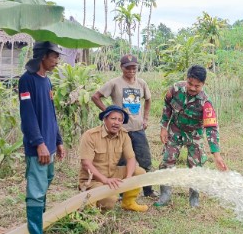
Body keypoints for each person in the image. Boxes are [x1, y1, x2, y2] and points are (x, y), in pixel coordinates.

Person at [155, 65, 228, 208]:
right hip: (175, 130)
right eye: (190, 84)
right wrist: (163, 127)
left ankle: (194, 198)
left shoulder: (205, 102)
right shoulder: (175, 89)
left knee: (196, 166)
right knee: (167, 160)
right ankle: (165, 194)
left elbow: (211, 129)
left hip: (194, 134)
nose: (193, 88)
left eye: (197, 86)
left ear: (203, 84)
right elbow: (167, 107)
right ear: (186, 79)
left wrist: (217, 155)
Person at [19, 41, 66, 234]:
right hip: (38, 147)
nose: (57, 60)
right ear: (43, 57)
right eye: (54, 56)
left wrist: (58, 140)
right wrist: (39, 144)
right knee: (36, 190)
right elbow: (28, 115)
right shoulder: (27, 81)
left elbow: (51, 114)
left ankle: (39, 230)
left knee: (45, 185)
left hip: (50, 145)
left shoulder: (47, 82)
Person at [91, 54, 156, 198]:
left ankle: (148, 190)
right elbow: (95, 97)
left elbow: (149, 100)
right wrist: (109, 113)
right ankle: (120, 192)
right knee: (120, 161)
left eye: (134, 67)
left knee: (145, 160)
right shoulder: (115, 83)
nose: (131, 71)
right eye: (128, 68)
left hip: (138, 128)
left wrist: (145, 118)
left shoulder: (141, 83)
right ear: (122, 68)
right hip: (120, 130)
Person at [78, 105, 149, 212]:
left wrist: (129, 177)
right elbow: (86, 164)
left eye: (120, 120)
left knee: (139, 172)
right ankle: (88, 203)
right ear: (105, 119)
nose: (116, 122)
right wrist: (105, 180)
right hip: (93, 179)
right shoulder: (90, 136)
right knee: (110, 201)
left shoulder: (123, 134)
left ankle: (128, 203)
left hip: (112, 173)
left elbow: (131, 158)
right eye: (113, 119)